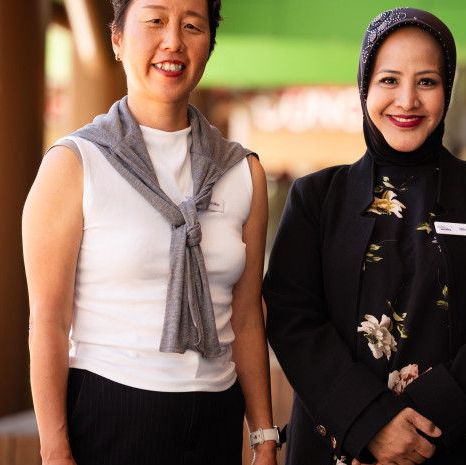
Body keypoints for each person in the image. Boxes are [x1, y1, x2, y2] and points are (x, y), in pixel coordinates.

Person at [263, 7, 466, 465]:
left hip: (462, 445)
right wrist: (369, 422)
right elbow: (293, 318)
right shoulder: (316, 197)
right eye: (389, 80)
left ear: (447, 89)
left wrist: (424, 419)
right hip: (344, 446)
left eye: (427, 81)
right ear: (365, 88)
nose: (407, 100)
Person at [23, 1, 277, 464]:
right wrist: (55, 451)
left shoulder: (242, 172)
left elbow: (246, 318)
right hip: (111, 411)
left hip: (216, 419)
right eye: (155, 21)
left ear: (209, 46)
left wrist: (263, 437)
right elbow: (49, 322)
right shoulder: (75, 163)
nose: (173, 41)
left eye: (192, 26)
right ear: (117, 39)